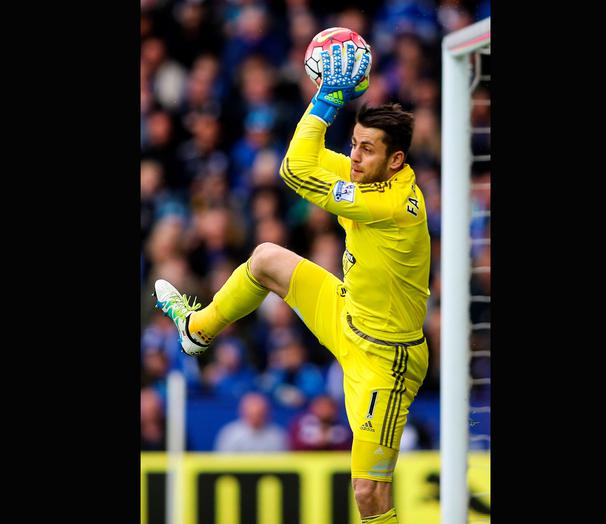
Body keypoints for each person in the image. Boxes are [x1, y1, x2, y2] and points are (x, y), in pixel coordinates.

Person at [154, 42, 429, 524]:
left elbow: (294, 172)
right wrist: (330, 105)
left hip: (386, 358)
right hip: (348, 313)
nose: (354, 156)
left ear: (397, 160)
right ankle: (197, 329)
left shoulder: (388, 205)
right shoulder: (365, 173)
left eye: (367, 149)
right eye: (354, 144)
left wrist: (327, 98)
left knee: (367, 493)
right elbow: (302, 158)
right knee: (265, 260)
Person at [213, 391, 287, 452]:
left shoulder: (277, 435)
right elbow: (222, 464)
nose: (255, 418)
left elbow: (284, 464)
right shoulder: (230, 433)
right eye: (251, 414)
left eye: (259, 414)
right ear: (243, 412)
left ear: (267, 413)